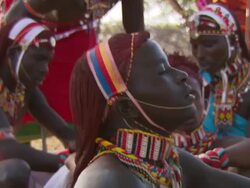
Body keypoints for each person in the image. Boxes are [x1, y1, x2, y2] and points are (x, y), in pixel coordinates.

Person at [70, 31, 250, 188]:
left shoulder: (169, 162)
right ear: (127, 107)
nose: (182, 76)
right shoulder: (105, 180)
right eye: (163, 71)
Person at [2, 0, 144, 124]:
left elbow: (136, 41)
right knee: (15, 108)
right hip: (26, 38)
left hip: (77, 37)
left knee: (84, 108)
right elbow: (8, 33)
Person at [0, 17, 75, 188]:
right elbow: (6, 149)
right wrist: (64, 161)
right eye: (39, 59)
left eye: (47, 61)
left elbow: (64, 131)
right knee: (13, 172)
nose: (45, 69)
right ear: (12, 54)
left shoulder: (24, 90)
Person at [189, 3, 250, 140]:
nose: (199, 54)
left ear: (233, 42)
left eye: (209, 44)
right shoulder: (197, 81)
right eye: (194, 46)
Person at [168, 53, 215, 155]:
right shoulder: (152, 155)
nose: (187, 105)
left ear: (206, 105)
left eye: (192, 96)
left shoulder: (224, 146)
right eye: (176, 97)